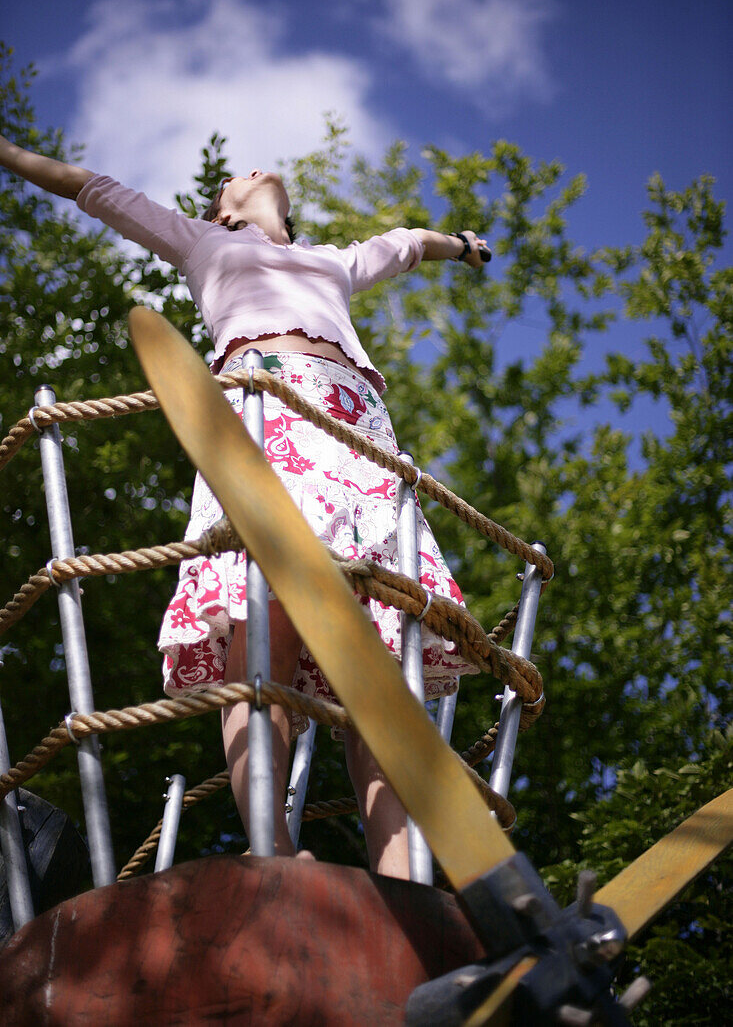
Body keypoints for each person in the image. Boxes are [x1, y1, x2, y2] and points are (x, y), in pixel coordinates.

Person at [0, 133, 489, 878]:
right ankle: (272, 852)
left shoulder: (333, 260)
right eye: (237, 176)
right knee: (265, 629)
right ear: (222, 213)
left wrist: (458, 244)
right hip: (264, 419)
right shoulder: (202, 242)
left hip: (356, 431)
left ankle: (404, 879)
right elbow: (85, 184)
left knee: (379, 656)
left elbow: (407, 244)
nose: (256, 169)